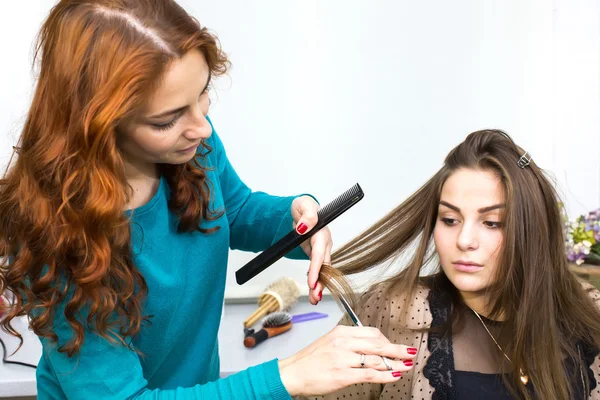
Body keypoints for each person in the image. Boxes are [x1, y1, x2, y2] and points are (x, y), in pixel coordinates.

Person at [0, 1, 417, 399]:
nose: (200, 127)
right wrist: (292, 374)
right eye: (167, 120)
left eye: (202, 94)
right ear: (96, 123)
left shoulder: (190, 146)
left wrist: (294, 219)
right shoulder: (58, 239)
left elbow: (232, 209)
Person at [312, 130, 600, 399]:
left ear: (532, 231)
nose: (464, 240)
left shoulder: (590, 311)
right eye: (449, 220)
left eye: (491, 223)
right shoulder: (393, 310)